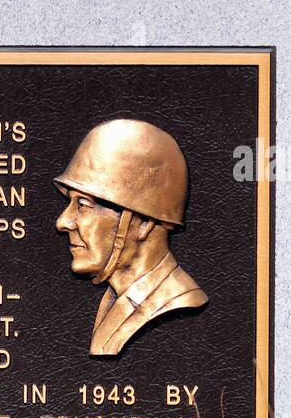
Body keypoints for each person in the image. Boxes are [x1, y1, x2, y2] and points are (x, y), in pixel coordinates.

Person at [54, 119, 209, 356]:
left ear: (145, 223)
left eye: (83, 205)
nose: (63, 222)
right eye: (70, 204)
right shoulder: (113, 299)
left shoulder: (173, 302)